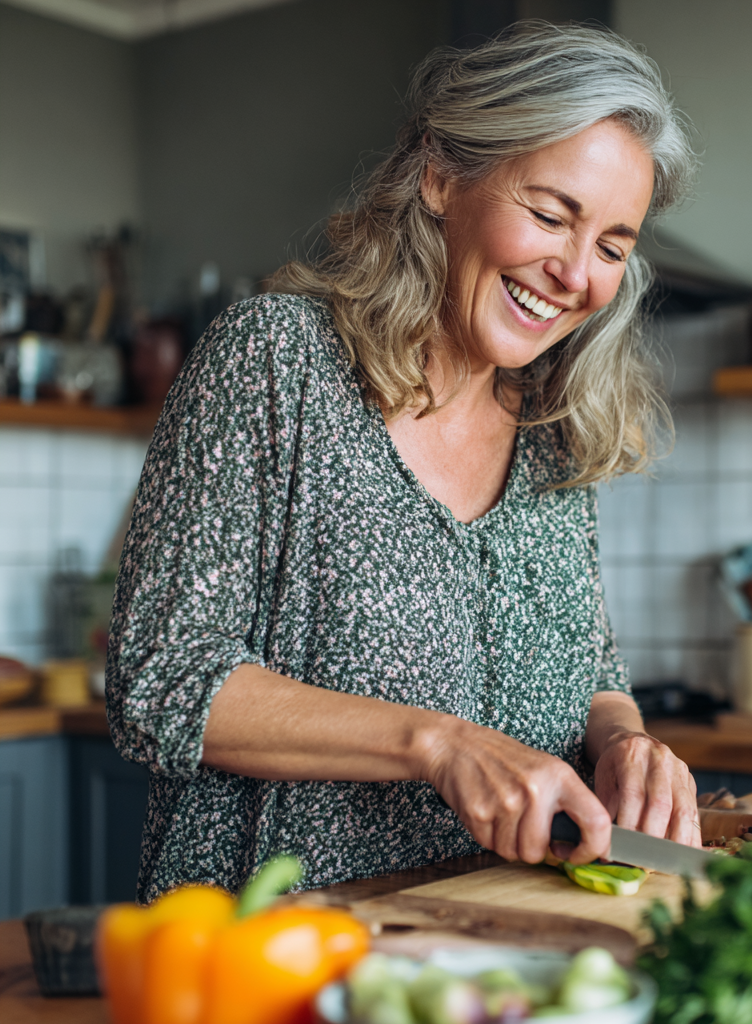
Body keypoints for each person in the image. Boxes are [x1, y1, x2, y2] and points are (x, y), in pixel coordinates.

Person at [107, 20, 702, 903]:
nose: (577, 272)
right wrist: (439, 744)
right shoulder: (277, 361)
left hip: (490, 946)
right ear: (439, 176)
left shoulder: (553, 426)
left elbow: (593, 673)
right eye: (550, 214)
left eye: (613, 246)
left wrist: (625, 743)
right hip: (269, 948)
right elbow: (160, 676)